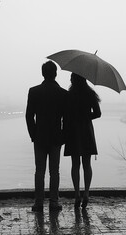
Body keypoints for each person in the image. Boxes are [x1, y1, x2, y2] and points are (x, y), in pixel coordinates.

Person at [25, 61, 68, 212]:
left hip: (40, 137)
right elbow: (66, 119)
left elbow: (29, 116)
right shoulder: (63, 94)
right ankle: (54, 202)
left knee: (39, 171)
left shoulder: (34, 91)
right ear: (55, 73)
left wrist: (33, 135)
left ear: (43, 73)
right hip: (56, 137)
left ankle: (38, 203)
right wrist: (63, 136)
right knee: (54, 171)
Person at [64, 73, 101, 209]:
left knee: (75, 164)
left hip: (73, 131)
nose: (69, 79)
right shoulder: (90, 94)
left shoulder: (69, 95)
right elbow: (97, 113)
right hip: (86, 130)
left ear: (74, 79)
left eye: (71, 77)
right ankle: (86, 193)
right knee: (87, 164)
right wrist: (86, 117)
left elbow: (65, 114)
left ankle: (77, 194)